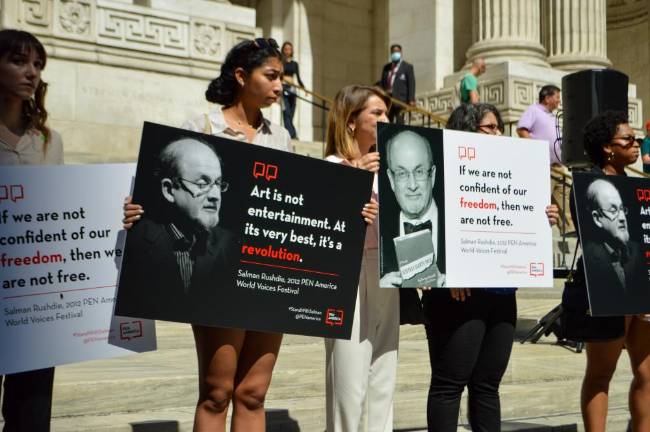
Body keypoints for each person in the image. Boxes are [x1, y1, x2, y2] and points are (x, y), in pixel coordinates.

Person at [124, 38, 292, 431]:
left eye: (281, 77)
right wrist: (134, 209)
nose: (280, 85)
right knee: (217, 392)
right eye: (271, 76)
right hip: (214, 272)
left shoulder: (281, 137)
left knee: (253, 391)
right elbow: (156, 193)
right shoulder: (199, 127)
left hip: (268, 273)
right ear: (240, 76)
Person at [423, 103, 559, 432]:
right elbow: (423, 225)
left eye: (499, 127)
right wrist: (446, 272)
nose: (498, 133)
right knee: (449, 383)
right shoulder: (436, 169)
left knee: (487, 385)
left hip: (501, 292)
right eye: (490, 127)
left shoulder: (514, 169)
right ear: (465, 131)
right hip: (456, 293)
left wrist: (544, 217)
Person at [0, 29, 64, 431]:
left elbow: (62, 213)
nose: (32, 73)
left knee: (31, 414)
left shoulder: (48, 141)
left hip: (33, 297)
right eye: (19, 61)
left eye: (38, 65)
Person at [323, 84, 394, 432]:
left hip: (385, 268)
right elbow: (322, 222)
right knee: (349, 379)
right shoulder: (331, 165)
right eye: (377, 113)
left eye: (387, 112)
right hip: (346, 274)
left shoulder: (390, 167)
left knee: (384, 370)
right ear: (351, 121)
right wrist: (356, 176)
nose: (386, 119)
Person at [575, 110, 650, 432]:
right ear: (608, 147)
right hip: (606, 287)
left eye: (637, 140)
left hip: (641, 286)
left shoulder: (638, 187)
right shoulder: (588, 186)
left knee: (647, 373)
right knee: (601, 373)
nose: (637, 146)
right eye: (628, 139)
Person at [116, 137, 237, 324]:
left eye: (218, 183)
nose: (215, 195)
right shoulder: (136, 239)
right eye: (202, 183)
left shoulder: (230, 246)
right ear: (169, 190)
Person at [379, 129, 445, 289]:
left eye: (420, 171)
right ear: (391, 179)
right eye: (402, 174)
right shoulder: (378, 228)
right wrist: (379, 288)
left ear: (433, 175)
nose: (413, 185)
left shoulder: (460, 224)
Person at [580, 178, 645, 315]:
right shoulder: (589, 258)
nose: (622, 217)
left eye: (622, 209)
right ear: (597, 218)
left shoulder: (637, 251)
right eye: (613, 210)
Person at [517, 84, 574, 235]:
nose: (559, 102)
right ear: (547, 98)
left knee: (564, 195)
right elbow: (521, 129)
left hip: (558, 165)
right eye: (557, 97)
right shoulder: (533, 110)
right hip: (543, 165)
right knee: (541, 197)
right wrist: (536, 150)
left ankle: (569, 230)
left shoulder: (553, 116)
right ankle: (534, 230)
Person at [379, 44, 415, 124]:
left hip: (400, 100)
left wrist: (411, 100)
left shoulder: (407, 67)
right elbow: (382, 84)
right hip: (388, 100)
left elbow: (411, 84)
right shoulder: (386, 68)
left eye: (397, 51)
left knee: (400, 121)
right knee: (387, 121)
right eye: (393, 52)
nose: (395, 53)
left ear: (401, 52)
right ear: (391, 53)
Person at [280, 41, 304, 140]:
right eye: (286, 49)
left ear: (292, 51)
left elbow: (298, 78)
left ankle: (289, 134)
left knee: (292, 113)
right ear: (283, 50)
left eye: (289, 49)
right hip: (284, 88)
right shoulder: (280, 62)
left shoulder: (295, 64)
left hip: (293, 90)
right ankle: (292, 135)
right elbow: (279, 75)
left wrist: (304, 88)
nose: (287, 51)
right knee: (287, 113)